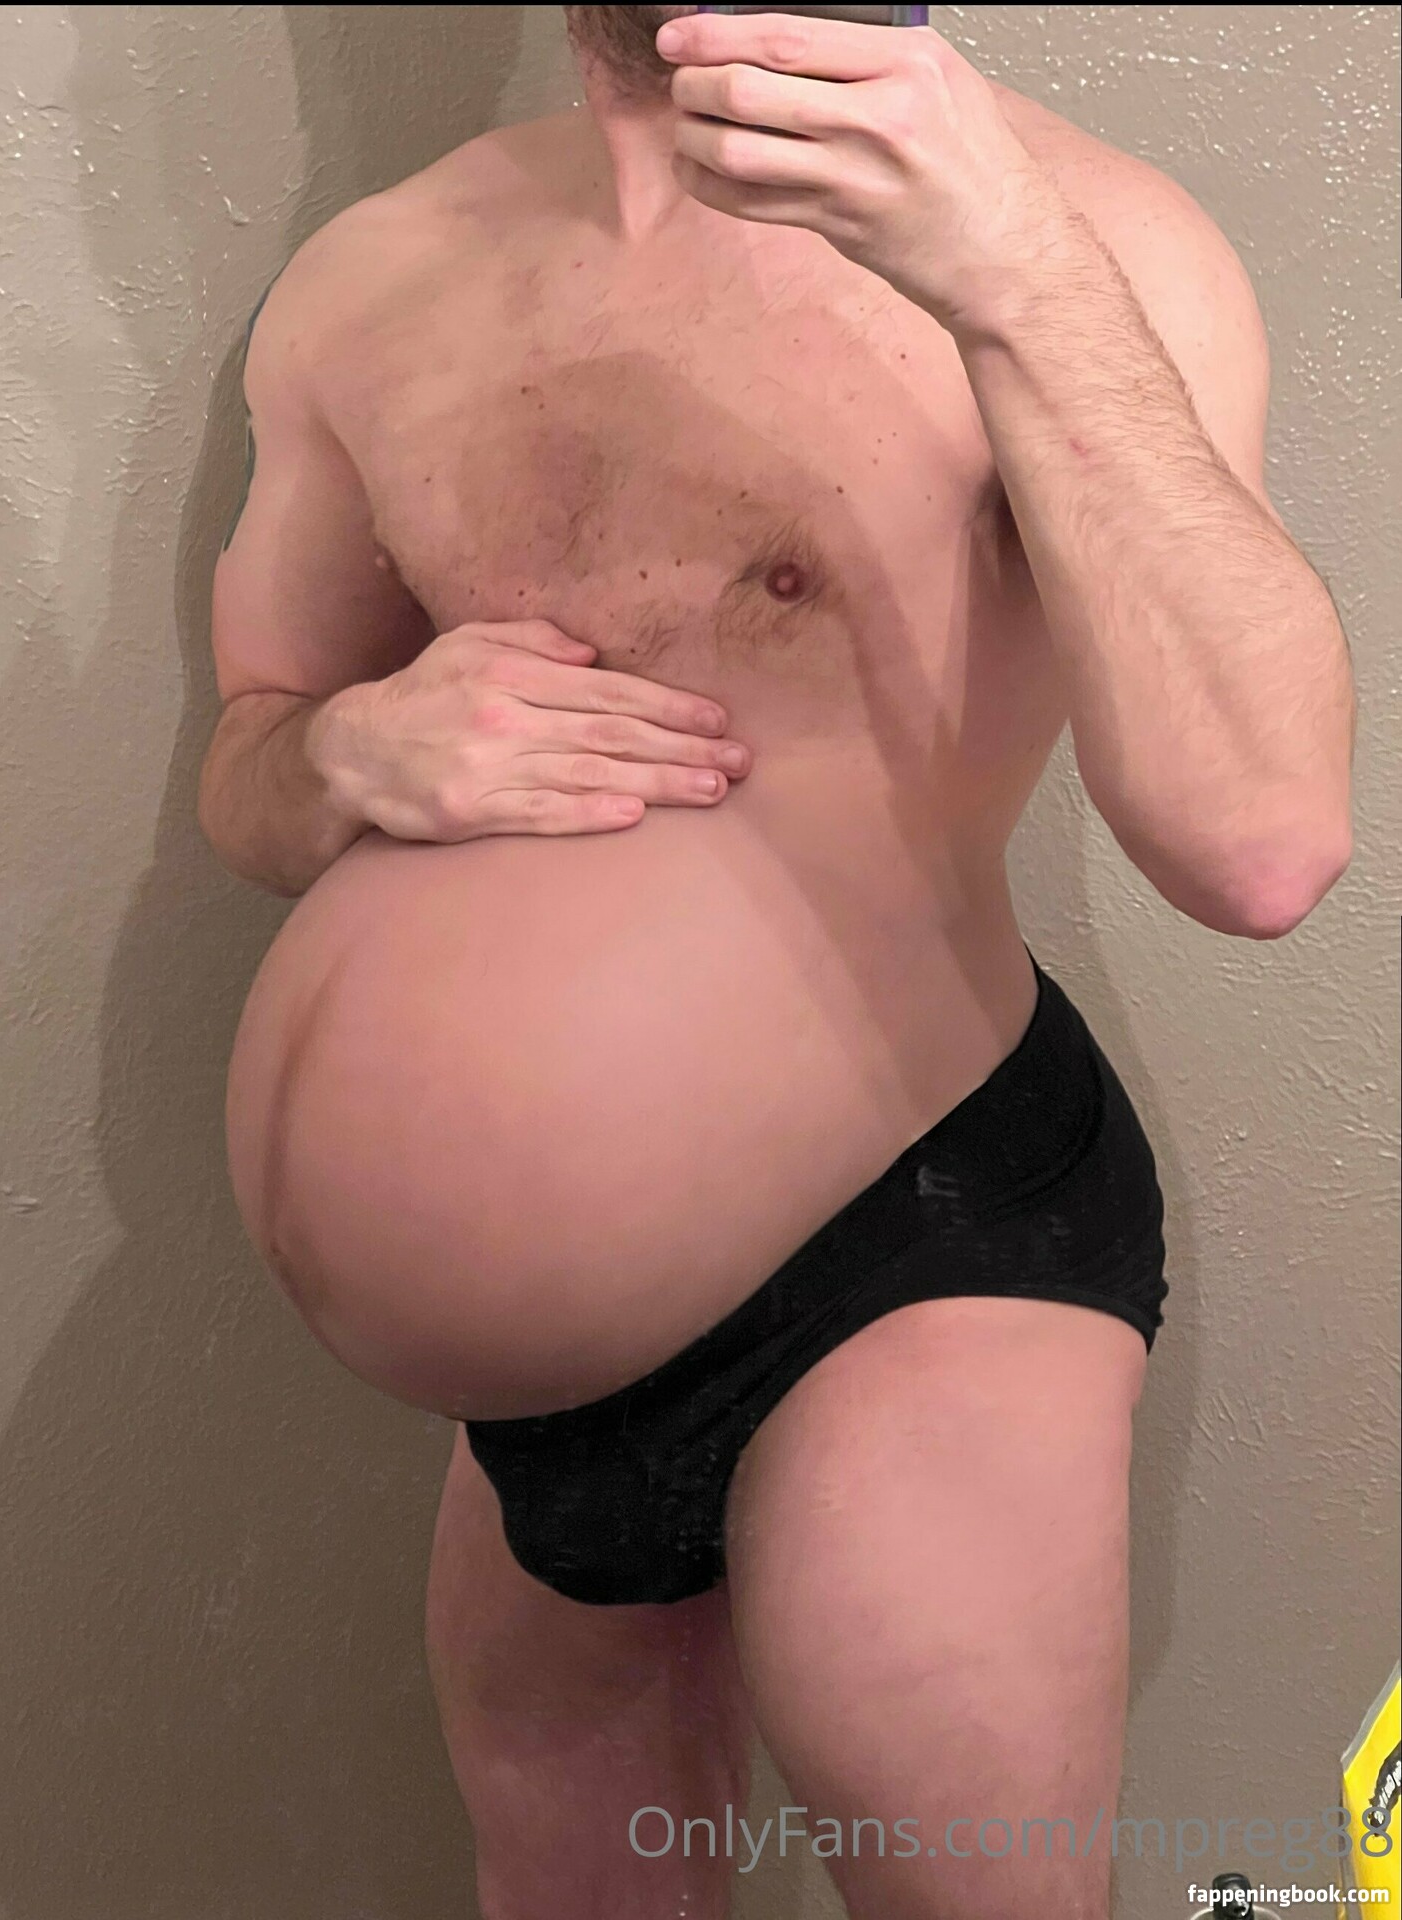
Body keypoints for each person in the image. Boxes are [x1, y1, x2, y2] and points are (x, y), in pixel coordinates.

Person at [198, 8, 1355, 1915]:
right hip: (529, 1390)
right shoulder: (376, 275)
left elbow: (1263, 843)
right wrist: (339, 754)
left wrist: (1020, 280)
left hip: (907, 1266)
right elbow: (250, 749)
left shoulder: (1079, 234)